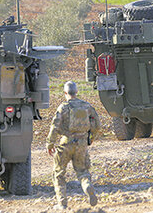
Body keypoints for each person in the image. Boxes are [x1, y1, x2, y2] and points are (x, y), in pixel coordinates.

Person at [46, 81, 101, 210]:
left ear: (65, 93)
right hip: (82, 143)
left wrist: (50, 143)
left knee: (59, 174)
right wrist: (91, 138)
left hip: (66, 142)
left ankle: (62, 203)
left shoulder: (63, 107)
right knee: (82, 171)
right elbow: (97, 125)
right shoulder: (86, 106)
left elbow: (54, 126)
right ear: (76, 92)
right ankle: (87, 186)